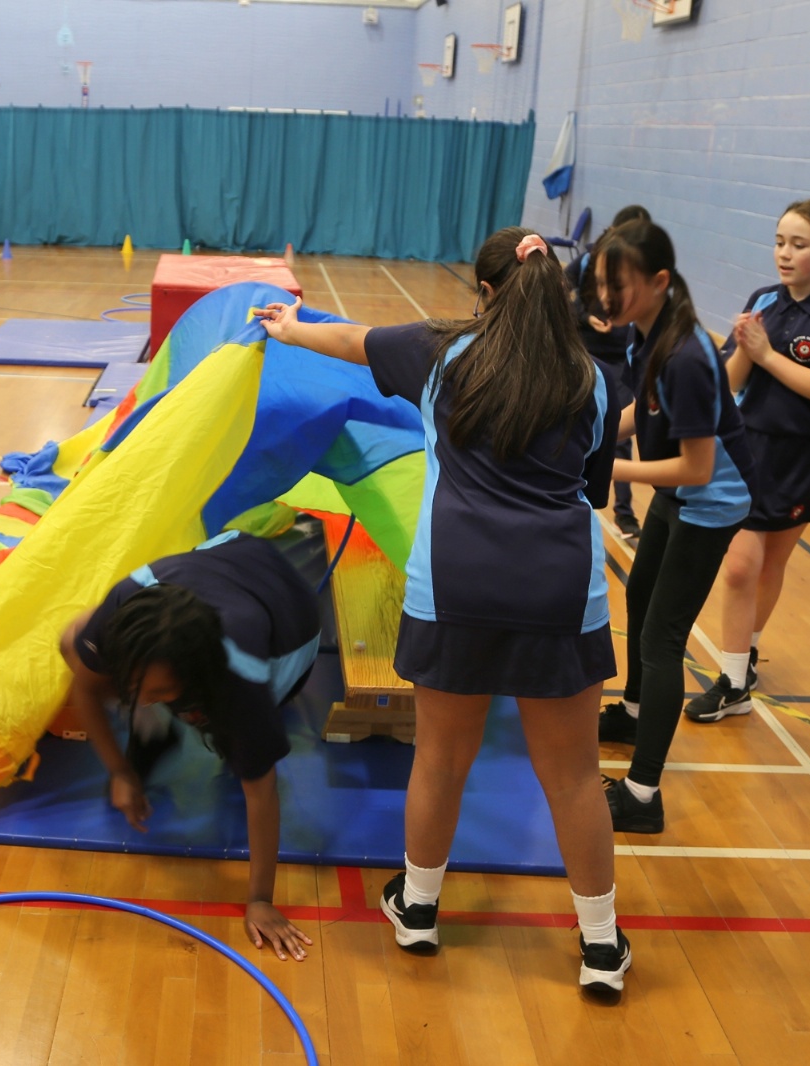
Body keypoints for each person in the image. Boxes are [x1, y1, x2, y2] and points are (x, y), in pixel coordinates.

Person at [259, 228, 632, 996]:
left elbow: (351, 340)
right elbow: (592, 491)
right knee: (572, 777)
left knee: (440, 759)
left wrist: (287, 328)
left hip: (455, 586)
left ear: (486, 293)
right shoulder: (595, 381)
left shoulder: (440, 353)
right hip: (560, 593)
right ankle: (600, 947)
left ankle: (420, 909)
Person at [59, 532, 322, 961]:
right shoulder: (125, 603)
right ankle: (152, 735)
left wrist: (260, 899)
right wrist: (120, 770)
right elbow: (86, 687)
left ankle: (184, 718)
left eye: (159, 693)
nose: (144, 699)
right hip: (237, 554)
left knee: (232, 741)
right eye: (137, 688)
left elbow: (261, 792)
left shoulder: (241, 675)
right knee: (72, 641)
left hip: (294, 631)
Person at [593, 220, 756, 833]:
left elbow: (698, 466)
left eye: (619, 285)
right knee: (639, 596)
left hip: (711, 501)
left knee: (663, 636)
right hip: (678, 494)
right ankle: (635, 712)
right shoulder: (648, 334)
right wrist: (591, 438)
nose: (606, 297)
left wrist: (610, 466)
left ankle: (642, 795)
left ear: (660, 282)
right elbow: (642, 409)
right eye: (602, 284)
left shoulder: (686, 356)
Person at [683, 200, 810, 723]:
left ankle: (745, 656)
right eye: (780, 242)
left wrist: (766, 354)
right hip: (747, 447)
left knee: (771, 565)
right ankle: (733, 681)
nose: (784, 253)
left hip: (806, 453)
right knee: (741, 565)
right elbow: (728, 384)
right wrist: (746, 349)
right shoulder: (763, 300)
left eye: (799, 244)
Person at [566, 204, 652, 540]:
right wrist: (585, 316)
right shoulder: (589, 260)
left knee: (619, 435)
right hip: (585, 354)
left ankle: (624, 512)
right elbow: (562, 292)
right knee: (577, 423)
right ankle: (568, 489)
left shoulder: (643, 277)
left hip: (620, 363)